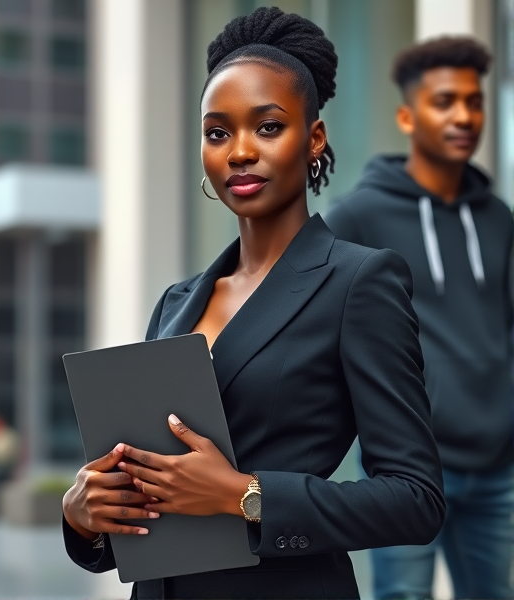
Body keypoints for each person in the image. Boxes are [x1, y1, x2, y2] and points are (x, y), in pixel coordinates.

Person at [62, 8, 445, 599]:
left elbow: (415, 500)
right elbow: (144, 503)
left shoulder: (359, 282)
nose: (239, 151)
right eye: (218, 133)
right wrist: (85, 514)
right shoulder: (177, 301)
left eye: (267, 127)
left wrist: (245, 496)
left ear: (313, 139)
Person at [325, 37, 514, 600]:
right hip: (406, 468)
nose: (464, 116)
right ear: (407, 116)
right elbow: (320, 319)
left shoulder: (500, 219)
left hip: (496, 466)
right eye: (445, 101)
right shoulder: (359, 214)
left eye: (475, 102)